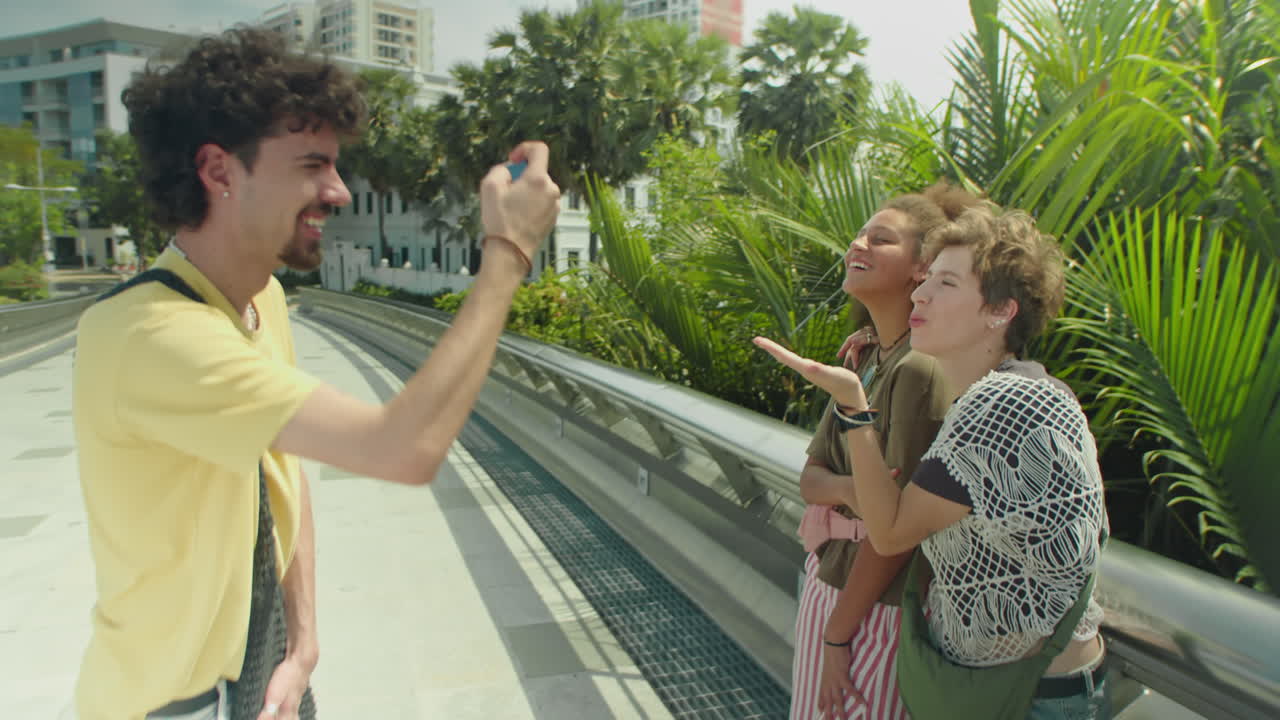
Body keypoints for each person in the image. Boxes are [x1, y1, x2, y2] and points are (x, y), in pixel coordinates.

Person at [70, 28, 560, 720]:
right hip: (172, 706)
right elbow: (402, 448)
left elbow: (283, 471)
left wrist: (302, 646)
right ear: (219, 171)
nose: (339, 192)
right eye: (311, 166)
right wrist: (508, 249)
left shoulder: (261, 299)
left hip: (265, 676)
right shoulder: (148, 335)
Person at [758, 205, 1110, 719]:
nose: (920, 294)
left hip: (1031, 698)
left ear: (1000, 311)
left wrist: (854, 405)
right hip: (1008, 686)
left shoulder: (1005, 404)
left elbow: (890, 534)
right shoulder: (998, 394)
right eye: (926, 280)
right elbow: (892, 525)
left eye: (945, 284)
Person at [790, 185, 981, 720]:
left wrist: (837, 635)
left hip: (873, 607)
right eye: (860, 235)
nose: (858, 244)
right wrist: (854, 490)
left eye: (881, 239)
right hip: (833, 579)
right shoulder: (869, 360)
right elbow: (809, 480)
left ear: (922, 268)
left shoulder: (919, 370)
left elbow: (895, 532)